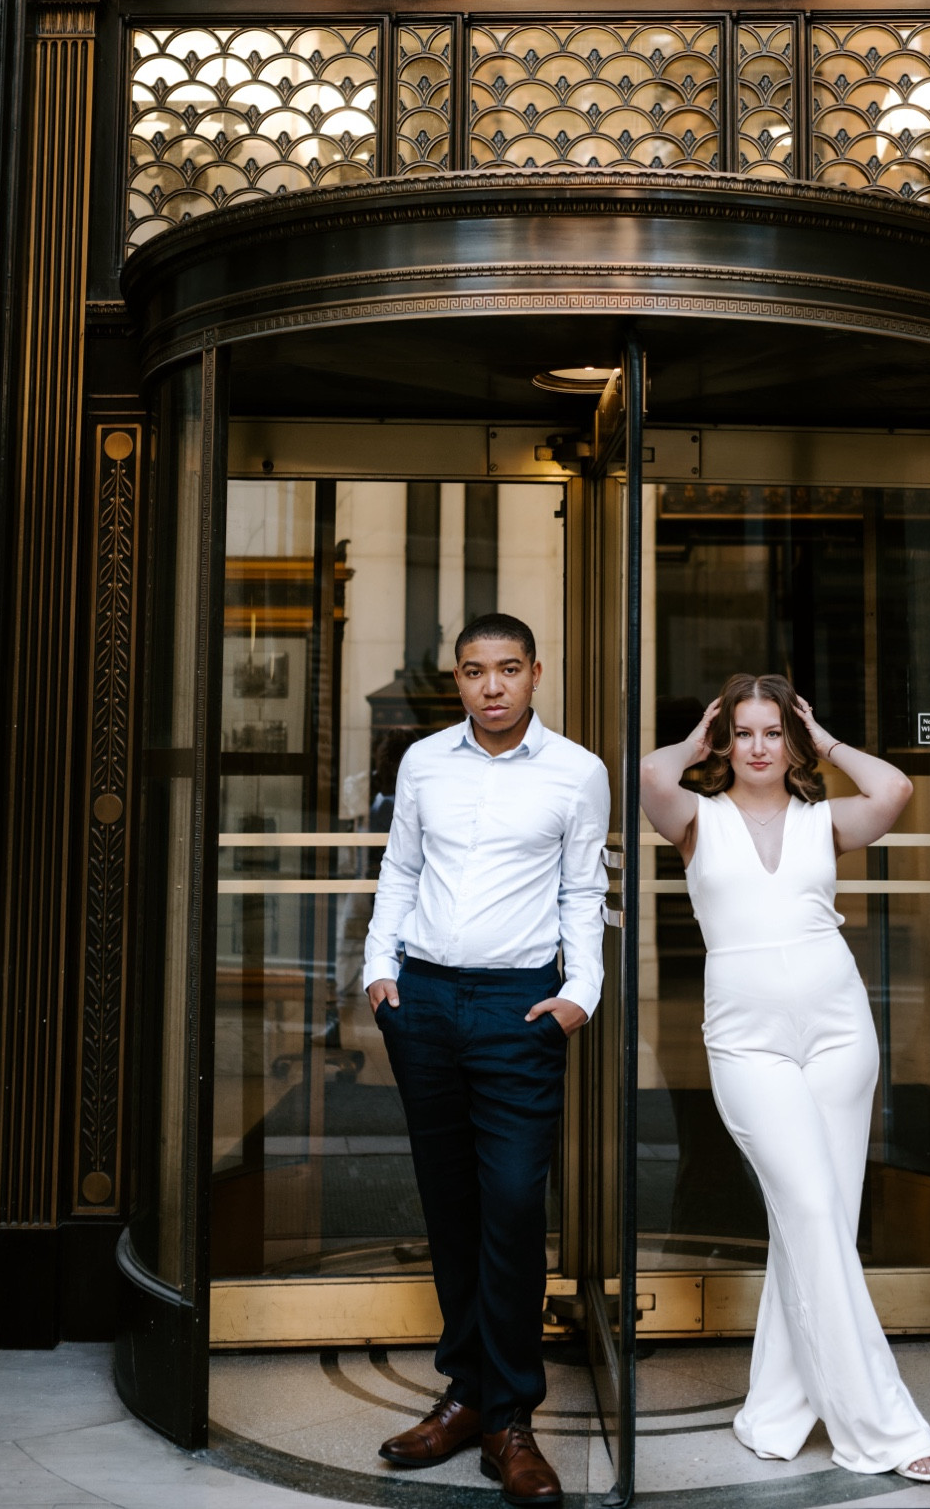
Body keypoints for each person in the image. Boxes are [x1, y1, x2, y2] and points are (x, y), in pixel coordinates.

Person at [639, 673, 930, 1485]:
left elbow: (895, 789)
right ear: (724, 740)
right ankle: (883, 1427)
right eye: (743, 732)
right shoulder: (696, 819)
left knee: (818, 1227)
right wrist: (695, 740)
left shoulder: (825, 821)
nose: (757, 747)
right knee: (812, 1210)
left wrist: (831, 742)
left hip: (840, 1031)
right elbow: (650, 774)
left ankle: (776, 1410)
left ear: (793, 742)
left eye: (773, 732)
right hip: (748, 1044)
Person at [364, 615, 609, 1508]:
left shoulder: (578, 771)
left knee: (510, 1203)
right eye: (475, 671)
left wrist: (581, 992)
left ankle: (511, 1419)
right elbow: (401, 868)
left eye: (508, 669)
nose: (492, 686)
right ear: (458, 679)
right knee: (451, 1204)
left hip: (521, 1009)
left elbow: (584, 887)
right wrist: (379, 971)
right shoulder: (423, 761)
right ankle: (467, 1396)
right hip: (424, 1001)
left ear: (536, 673)